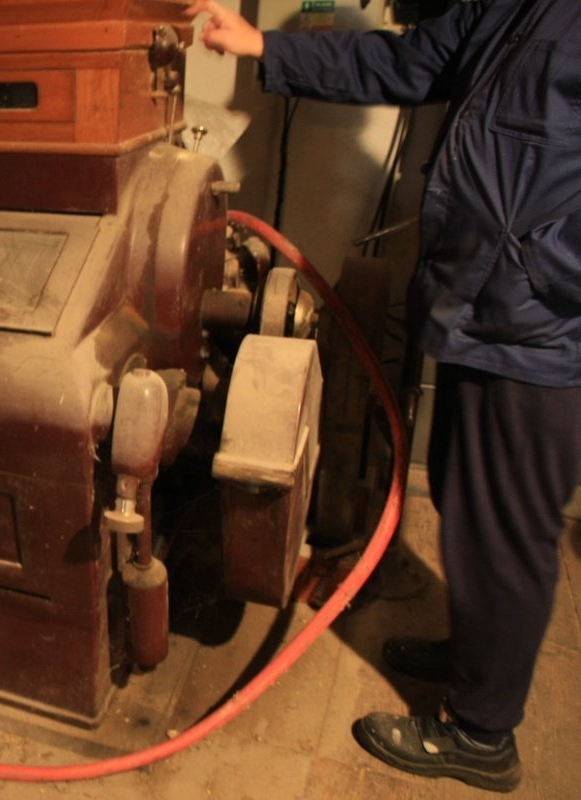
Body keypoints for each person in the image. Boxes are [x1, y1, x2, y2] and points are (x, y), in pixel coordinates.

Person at [181, 0, 581, 793]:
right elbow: (408, 62)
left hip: (536, 327)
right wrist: (263, 46)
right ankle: (479, 661)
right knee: (468, 505)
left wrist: (544, 269)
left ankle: (481, 735)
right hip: (482, 304)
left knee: (507, 532)